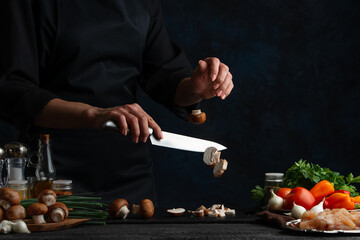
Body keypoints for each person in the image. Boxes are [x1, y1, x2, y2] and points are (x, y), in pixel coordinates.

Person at [0, 0, 233, 203]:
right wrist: (94, 115)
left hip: (129, 179)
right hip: (52, 175)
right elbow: (12, 88)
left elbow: (164, 76)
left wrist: (195, 88)